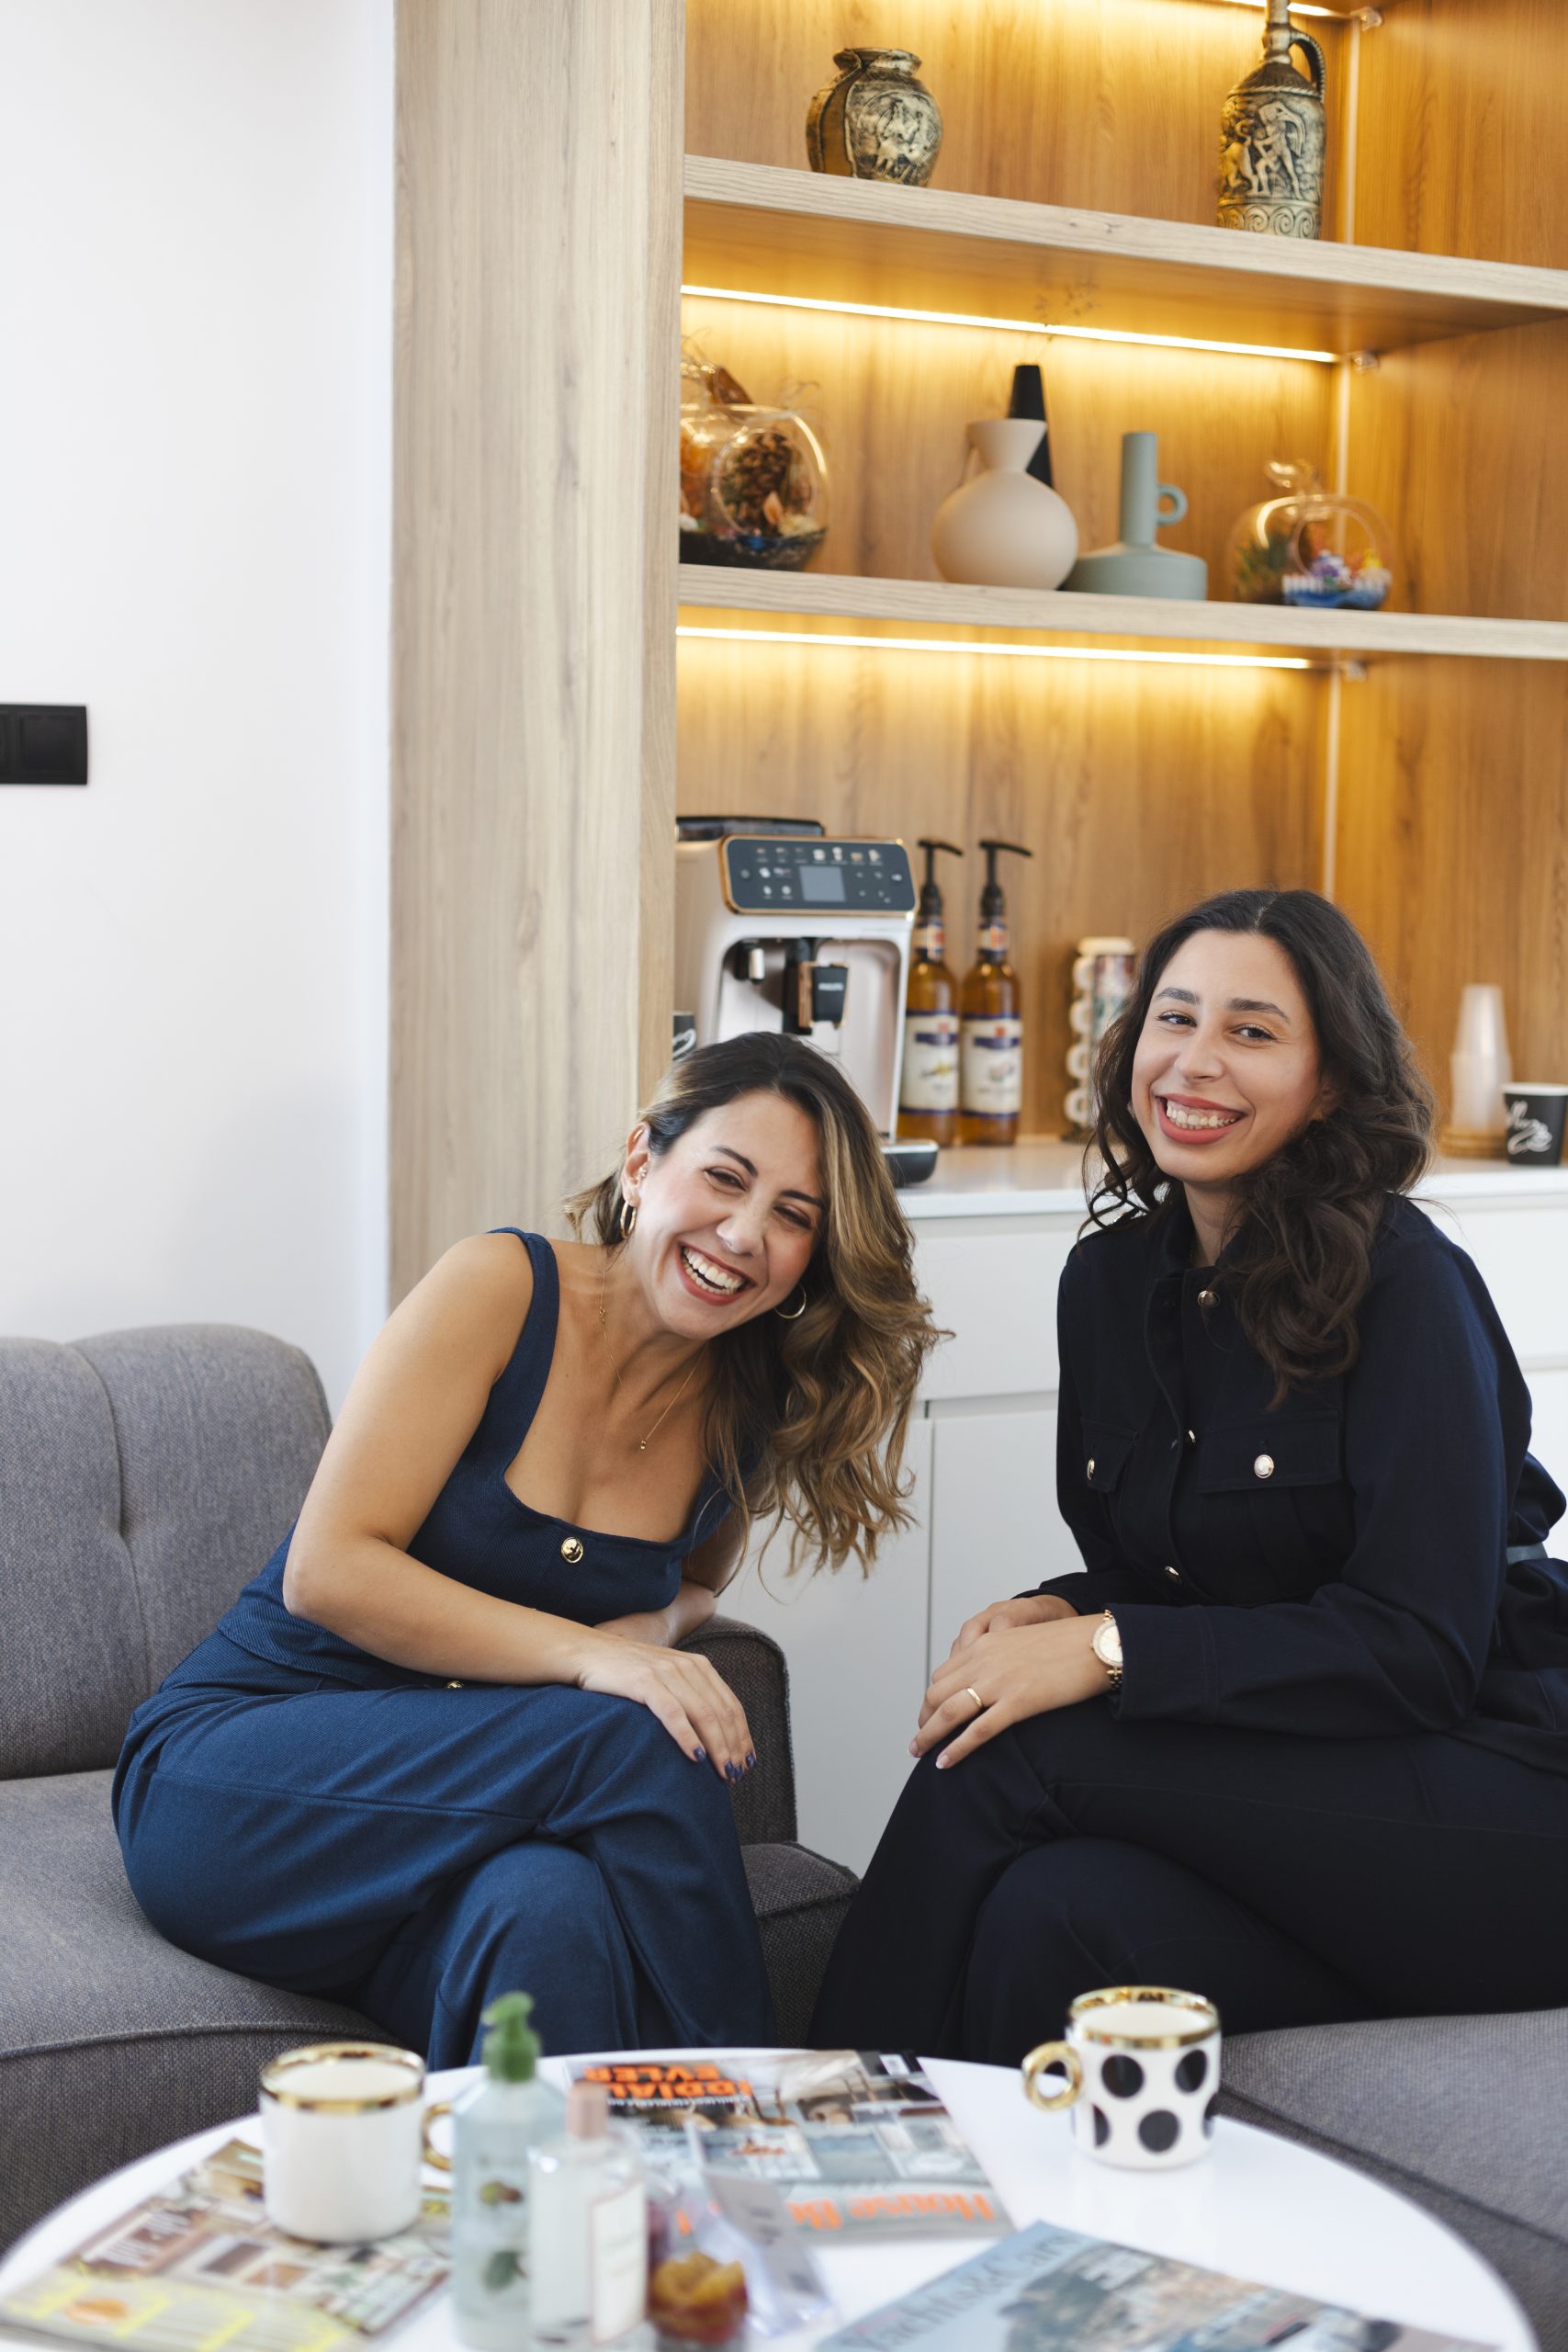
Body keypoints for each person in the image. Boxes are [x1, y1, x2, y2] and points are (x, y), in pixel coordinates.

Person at [812, 889, 1568, 2062]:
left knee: (1016, 1749)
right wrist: (1067, 1607)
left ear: (1330, 1079)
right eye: (1174, 1018)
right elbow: (1185, 1574)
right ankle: (965, 2173)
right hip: (1310, 1797)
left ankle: (815, 2107)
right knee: (1048, 1915)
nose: (1195, 1061)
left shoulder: (1406, 1286)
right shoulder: (1109, 1283)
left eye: (1251, 1031)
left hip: (1490, 1802)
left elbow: (1418, 1650)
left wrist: (1108, 1647)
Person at [115, 1034, 938, 2064]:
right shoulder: (502, 1288)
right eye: (725, 1178)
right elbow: (327, 1572)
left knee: (548, 1911)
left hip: (456, 1840)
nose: (742, 1234)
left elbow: (694, 1583)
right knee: (638, 1734)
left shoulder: (746, 1405)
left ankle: (564, 2171)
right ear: (641, 1163)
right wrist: (592, 1657)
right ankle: (755, 2106)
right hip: (246, 1791)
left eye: (792, 1216)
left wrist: (653, 1630)